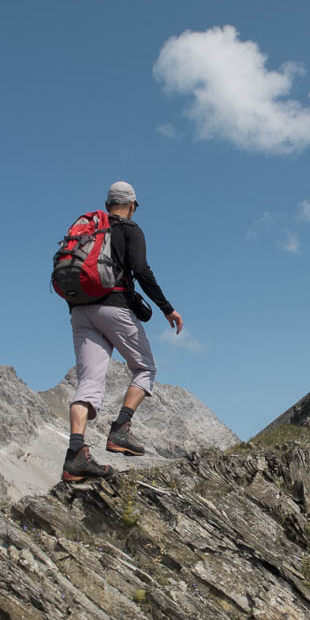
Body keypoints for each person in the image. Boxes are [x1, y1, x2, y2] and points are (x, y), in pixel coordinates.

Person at [61, 180, 184, 482]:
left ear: (107, 205)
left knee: (88, 384)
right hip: (114, 307)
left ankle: (75, 455)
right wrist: (167, 308)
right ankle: (120, 429)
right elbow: (141, 270)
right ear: (131, 205)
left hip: (79, 311)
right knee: (144, 367)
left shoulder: (89, 231)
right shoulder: (130, 229)